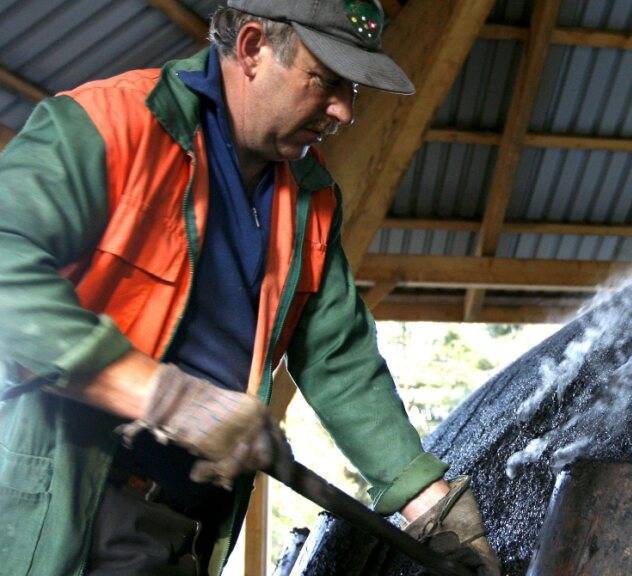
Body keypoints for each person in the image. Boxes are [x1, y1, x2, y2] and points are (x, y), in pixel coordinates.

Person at [0, 1, 499, 575]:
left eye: (352, 90)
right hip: (66, 503)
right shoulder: (108, 126)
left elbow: (339, 361)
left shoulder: (311, 199)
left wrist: (430, 503)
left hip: (186, 525)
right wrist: (158, 394)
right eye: (327, 82)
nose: (343, 110)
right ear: (254, 47)